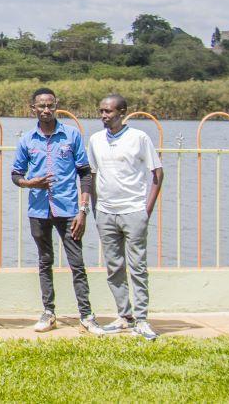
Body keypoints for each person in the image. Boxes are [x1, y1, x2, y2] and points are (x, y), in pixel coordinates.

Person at [11, 87, 101, 334]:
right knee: (44, 261)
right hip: (39, 210)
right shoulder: (27, 140)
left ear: (56, 106)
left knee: (77, 263)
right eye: (41, 106)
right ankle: (48, 312)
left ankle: (86, 315)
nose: (46, 110)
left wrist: (83, 210)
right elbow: (16, 175)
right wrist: (31, 183)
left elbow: (85, 174)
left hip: (68, 209)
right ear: (33, 109)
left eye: (50, 105)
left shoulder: (71, 135)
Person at [89, 93, 165, 341]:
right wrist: (95, 208)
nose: (103, 116)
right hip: (106, 212)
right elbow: (92, 174)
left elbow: (157, 173)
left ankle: (142, 319)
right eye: (101, 111)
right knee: (114, 267)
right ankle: (125, 315)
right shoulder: (96, 140)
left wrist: (146, 210)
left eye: (108, 111)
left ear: (121, 113)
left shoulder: (138, 138)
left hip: (133, 210)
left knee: (138, 266)